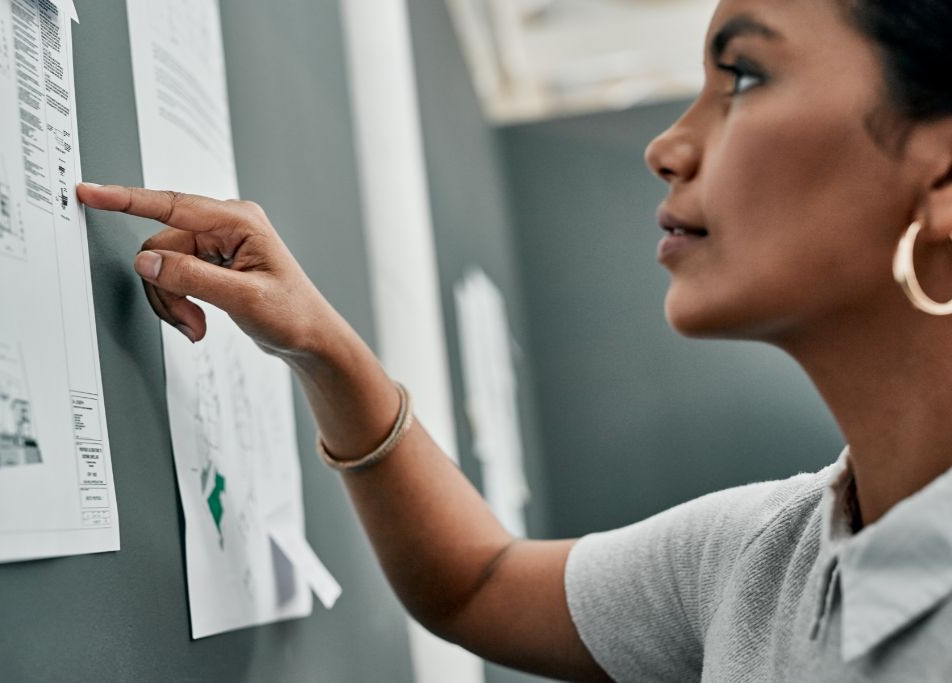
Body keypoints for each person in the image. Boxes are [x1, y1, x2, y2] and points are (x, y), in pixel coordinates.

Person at [77, 0, 952, 679]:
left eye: (746, 77)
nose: (667, 144)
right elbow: (479, 582)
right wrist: (324, 346)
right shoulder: (773, 555)